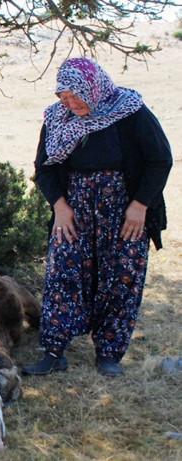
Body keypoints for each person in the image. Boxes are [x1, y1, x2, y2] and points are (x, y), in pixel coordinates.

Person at [23, 57, 172, 378]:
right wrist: (59, 206)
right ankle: (54, 350)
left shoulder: (130, 112)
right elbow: (44, 168)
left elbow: (160, 160)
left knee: (121, 278)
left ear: (93, 88)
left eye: (76, 95)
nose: (70, 103)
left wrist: (140, 205)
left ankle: (108, 352)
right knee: (63, 274)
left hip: (124, 212)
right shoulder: (57, 120)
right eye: (63, 97)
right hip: (73, 212)